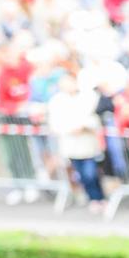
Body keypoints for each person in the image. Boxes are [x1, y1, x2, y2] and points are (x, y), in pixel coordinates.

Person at [47, 72, 106, 210]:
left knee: (90, 173)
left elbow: (94, 118)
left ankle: (98, 197)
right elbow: (55, 123)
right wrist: (70, 129)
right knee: (81, 174)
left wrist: (84, 126)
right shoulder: (57, 101)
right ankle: (93, 198)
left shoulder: (88, 97)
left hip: (88, 143)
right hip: (70, 145)